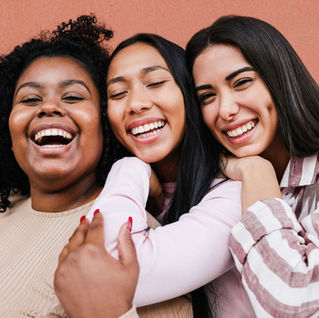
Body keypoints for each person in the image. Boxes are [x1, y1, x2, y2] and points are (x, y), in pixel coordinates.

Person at [0, 14, 188, 318]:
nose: (48, 107)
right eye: (30, 99)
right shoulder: (6, 212)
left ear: (103, 126)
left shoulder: (134, 237)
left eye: (73, 96)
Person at [55, 33, 255, 318]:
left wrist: (129, 167)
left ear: (189, 93)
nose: (136, 104)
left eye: (156, 83)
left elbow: (105, 269)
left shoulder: (235, 195)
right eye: (118, 93)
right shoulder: (132, 195)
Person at [186, 15, 319, 317]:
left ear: (279, 78)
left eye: (242, 82)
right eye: (208, 96)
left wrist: (255, 172)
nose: (226, 110)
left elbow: (294, 301)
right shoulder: (215, 193)